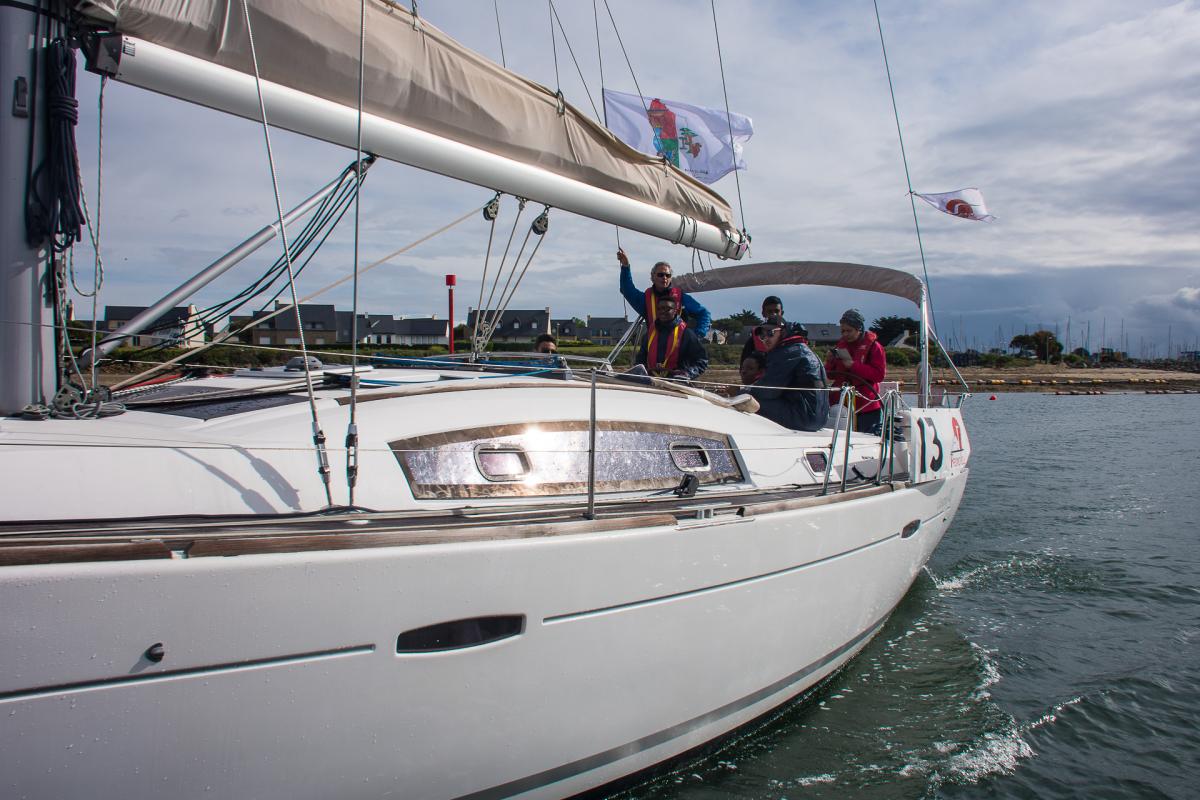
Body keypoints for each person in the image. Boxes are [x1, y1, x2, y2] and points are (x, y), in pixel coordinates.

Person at [749, 319, 829, 432]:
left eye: (770, 333)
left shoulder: (787, 352)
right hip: (819, 419)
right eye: (762, 336)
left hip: (803, 417)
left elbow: (767, 391)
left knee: (745, 400)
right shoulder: (801, 349)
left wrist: (741, 391)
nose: (766, 339)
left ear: (783, 332)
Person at [618, 248, 711, 338]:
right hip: (656, 346)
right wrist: (625, 266)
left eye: (668, 275)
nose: (664, 278)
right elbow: (627, 290)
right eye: (660, 275)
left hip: (679, 346)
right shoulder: (645, 300)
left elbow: (704, 313)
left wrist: (697, 335)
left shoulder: (681, 298)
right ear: (652, 277)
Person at [824, 308, 887, 434]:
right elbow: (830, 375)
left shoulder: (875, 347)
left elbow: (879, 375)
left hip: (866, 407)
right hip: (841, 406)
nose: (845, 334)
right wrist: (829, 361)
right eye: (843, 331)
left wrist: (853, 365)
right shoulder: (840, 347)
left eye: (849, 331)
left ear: (859, 329)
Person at [635, 294, 708, 381]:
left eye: (667, 309)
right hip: (652, 382)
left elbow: (701, 361)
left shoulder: (687, 334)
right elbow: (640, 360)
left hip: (678, 383)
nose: (662, 311)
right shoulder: (649, 334)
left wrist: (687, 374)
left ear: (675, 311)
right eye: (659, 309)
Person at [739, 295, 786, 364]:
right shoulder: (754, 340)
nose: (774, 314)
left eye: (777, 311)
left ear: (782, 313)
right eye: (770, 311)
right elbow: (744, 367)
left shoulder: (791, 335)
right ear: (763, 313)